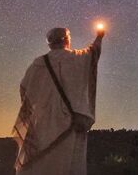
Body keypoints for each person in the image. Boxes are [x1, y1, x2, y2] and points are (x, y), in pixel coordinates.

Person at [13, 25, 105, 174]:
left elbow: (24, 89)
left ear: (49, 44)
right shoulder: (76, 58)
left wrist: (35, 110)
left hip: (42, 124)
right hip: (71, 125)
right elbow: (93, 52)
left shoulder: (38, 64)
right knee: (69, 164)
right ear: (67, 40)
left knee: (41, 165)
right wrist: (100, 36)